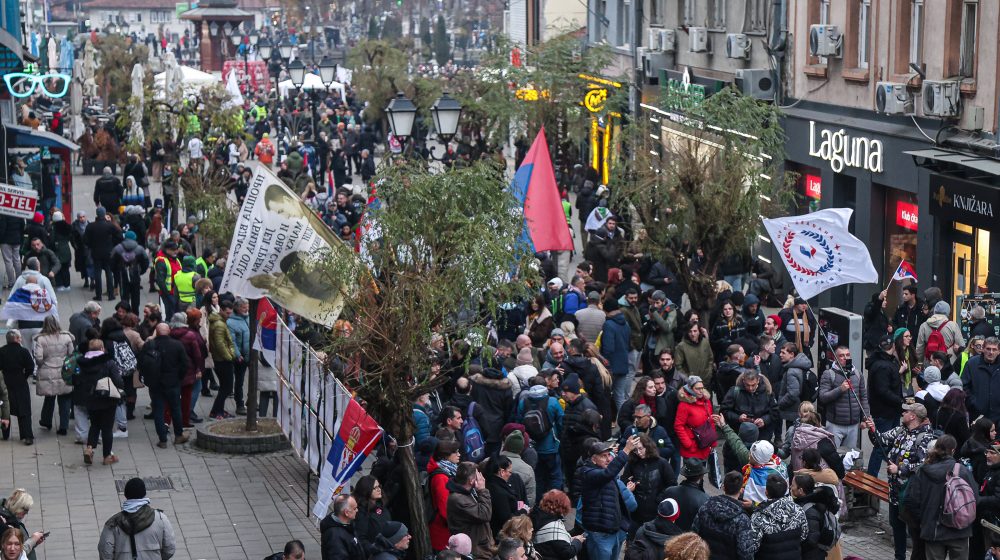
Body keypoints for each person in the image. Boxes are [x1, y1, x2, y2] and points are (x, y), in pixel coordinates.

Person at [865, 402, 936, 560]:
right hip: (895, 491)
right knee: (896, 525)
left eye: (905, 412)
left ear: (913, 416)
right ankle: (899, 557)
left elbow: (924, 464)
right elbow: (880, 441)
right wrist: (873, 429)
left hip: (911, 494)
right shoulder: (900, 430)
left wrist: (901, 469)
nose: (902, 413)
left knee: (913, 530)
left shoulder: (925, 437)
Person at [902, 435, 978, 560]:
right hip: (959, 530)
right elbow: (975, 499)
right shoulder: (962, 471)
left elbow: (911, 501)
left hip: (933, 531)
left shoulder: (923, 471)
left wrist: (924, 520)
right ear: (953, 450)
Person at [576, 437, 639, 560]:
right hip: (600, 532)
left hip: (614, 529)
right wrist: (626, 450)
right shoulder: (588, 472)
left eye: (608, 455)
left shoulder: (604, 471)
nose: (608, 459)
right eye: (603, 456)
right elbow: (607, 474)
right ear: (593, 459)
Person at [98, 477, 176, 560]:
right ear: (144, 493)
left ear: (126, 495)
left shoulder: (113, 522)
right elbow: (170, 549)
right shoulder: (161, 518)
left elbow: (105, 552)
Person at [78, 339, 124, 465]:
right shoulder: (108, 362)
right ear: (102, 349)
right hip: (107, 398)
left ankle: (89, 448)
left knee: (94, 424)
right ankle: (107, 456)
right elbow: (118, 380)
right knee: (107, 428)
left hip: (90, 398)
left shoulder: (83, 363)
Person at [622, 434, 677, 536]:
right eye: (635, 450)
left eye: (641, 449)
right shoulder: (632, 463)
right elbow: (624, 480)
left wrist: (659, 499)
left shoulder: (662, 463)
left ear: (647, 446)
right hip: (636, 511)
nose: (638, 453)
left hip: (655, 511)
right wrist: (630, 485)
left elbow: (672, 485)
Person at [145, 323, 190, 448]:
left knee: (158, 410)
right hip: (172, 382)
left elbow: (143, 363)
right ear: (169, 331)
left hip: (156, 384)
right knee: (176, 409)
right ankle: (178, 435)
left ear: (157, 332)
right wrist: (179, 377)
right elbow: (185, 364)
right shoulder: (177, 345)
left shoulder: (150, 345)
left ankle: (163, 440)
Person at [691, 471, 754, 560]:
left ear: (723, 487)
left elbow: (693, 534)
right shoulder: (742, 520)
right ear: (741, 490)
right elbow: (745, 553)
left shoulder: (706, 507)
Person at [866, 335, 905, 476]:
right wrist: (901, 401)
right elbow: (883, 390)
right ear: (893, 346)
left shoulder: (882, 362)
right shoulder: (883, 365)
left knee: (888, 442)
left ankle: (888, 466)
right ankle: (872, 475)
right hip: (885, 412)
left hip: (888, 410)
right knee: (881, 446)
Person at [818, 345, 868, 449]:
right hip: (835, 425)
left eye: (848, 355)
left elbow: (863, 397)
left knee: (849, 458)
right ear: (835, 358)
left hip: (853, 425)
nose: (846, 358)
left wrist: (865, 417)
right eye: (842, 356)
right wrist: (840, 389)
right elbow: (822, 397)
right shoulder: (829, 374)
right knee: (832, 456)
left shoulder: (858, 374)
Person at [748, 474, 808, 559]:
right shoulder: (798, 510)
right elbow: (804, 535)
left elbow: (752, 546)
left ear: (766, 492)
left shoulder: (759, 517)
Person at [32, 315, 75, 435]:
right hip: (64, 371)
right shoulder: (66, 337)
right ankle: (63, 426)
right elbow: (71, 354)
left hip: (48, 370)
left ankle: (46, 421)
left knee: (49, 397)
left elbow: (38, 358)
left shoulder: (41, 339)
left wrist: (41, 365)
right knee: (65, 398)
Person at [446, 462, 494, 560]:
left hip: (481, 546)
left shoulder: (467, 493)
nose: (481, 479)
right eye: (478, 476)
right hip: (475, 550)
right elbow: (484, 514)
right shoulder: (458, 499)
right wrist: (483, 490)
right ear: (472, 480)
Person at [790, 474, 841, 560]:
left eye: (793, 485)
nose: (791, 487)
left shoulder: (809, 511)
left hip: (811, 555)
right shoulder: (808, 503)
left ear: (800, 490)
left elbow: (811, 540)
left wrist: (796, 548)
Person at [720, 369, 778, 443]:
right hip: (740, 435)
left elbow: (775, 412)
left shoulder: (767, 392)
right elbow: (724, 411)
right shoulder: (735, 391)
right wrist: (738, 418)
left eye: (753, 385)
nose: (750, 388)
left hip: (762, 435)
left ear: (758, 380)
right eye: (747, 385)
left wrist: (764, 420)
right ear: (743, 381)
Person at [0, 330, 35, 445]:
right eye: (19, 338)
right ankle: (27, 435)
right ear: (16, 339)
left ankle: (5, 433)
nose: (21, 339)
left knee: (5, 407)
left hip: (5, 382)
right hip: (20, 383)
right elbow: (30, 367)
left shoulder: (2, 351)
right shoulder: (23, 351)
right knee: (24, 409)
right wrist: (24, 376)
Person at [530, 490, 584, 560]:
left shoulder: (539, 518)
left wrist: (570, 539)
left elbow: (554, 543)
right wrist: (577, 542)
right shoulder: (553, 526)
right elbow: (567, 552)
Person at [84, 206, 123, 301]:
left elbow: (85, 240)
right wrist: (113, 243)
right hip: (108, 252)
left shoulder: (91, 226)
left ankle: (98, 295)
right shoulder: (109, 225)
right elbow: (119, 235)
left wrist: (91, 245)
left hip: (96, 252)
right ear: (104, 214)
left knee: (97, 273)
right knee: (109, 273)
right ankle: (111, 294)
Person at [428, 440, 461, 551]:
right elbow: (444, 509)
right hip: (442, 531)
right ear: (446, 456)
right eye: (455, 452)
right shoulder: (441, 477)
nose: (459, 454)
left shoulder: (448, 472)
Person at [484, 456, 528, 537]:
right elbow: (506, 519)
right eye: (510, 472)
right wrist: (523, 510)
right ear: (502, 472)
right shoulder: (499, 492)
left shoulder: (490, 483)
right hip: (502, 535)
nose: (510, 475)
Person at [661, 458, 709, 532]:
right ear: (701, 476)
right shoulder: (705, 499)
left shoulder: (669, 491)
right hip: (687, 538)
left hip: (667, 532)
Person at [674, 377, 716, 462]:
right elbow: (678, 426)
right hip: (692, 449)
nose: (701, 391)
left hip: (705, 445)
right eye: (698, 388)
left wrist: (713, 442)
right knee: (694, 474)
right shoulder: (684, 405)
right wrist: (688, 444)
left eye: (702, 388)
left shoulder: (706, 401)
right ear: (690, 389)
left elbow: (710, 422)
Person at [208, 301, 237, 419]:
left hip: (220, 359)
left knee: (225, 387)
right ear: (221, 310)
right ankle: (217, 412)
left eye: (230, 313)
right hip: (222, 361)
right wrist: (230, 357)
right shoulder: (220, 324)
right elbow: (220, 344)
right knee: (227, 387)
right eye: (227, 313)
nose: (229, 315)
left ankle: (217, 410)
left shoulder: (219, 322)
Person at [111, 231, 149, 316]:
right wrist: (141, 271)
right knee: (136, 297)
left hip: (122, 275)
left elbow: (112, 262)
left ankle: (124, 315)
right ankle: (135, 316)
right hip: (135, 275)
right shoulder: (139, 249)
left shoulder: (118, 248)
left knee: (124, 296)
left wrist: (116, 272)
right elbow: (145, 262)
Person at [963, 337, 1000, 425]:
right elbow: (964, 387)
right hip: (977, 416)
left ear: (999, 351)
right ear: (983, 349)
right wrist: (974, 404)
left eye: (994, 349)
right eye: (988, 349)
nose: (991, 352)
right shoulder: (971, 364)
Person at [0, 490, 45, 560]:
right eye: (25, 511)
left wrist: (34, 542)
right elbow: (15, 553)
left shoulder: (11, 521)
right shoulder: (7, 527)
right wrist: (32, 540)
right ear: (18, 508)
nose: (26, 514)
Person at [320, 495, 363, 560]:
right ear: (346, 513)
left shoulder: (347, 524)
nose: (357, 510)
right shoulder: (335, 537)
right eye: (354, 508)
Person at [673, 322, 714, 391]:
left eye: (695, 331)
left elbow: (710, 358)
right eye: (690, 331)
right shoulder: (681, 346)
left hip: (706, 382)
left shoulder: (705, 342)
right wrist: (688, 379)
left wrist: (709, 373)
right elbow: (678, 366)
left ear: (699, 331)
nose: (693, 334)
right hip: (690, 385)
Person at [227, 297, 251, 415]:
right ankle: (239, 404)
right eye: (243, 307)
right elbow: (232, 341)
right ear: (236, 307)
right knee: (239, 381)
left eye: (247, 306)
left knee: (254, 379)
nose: (246, 308)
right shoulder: (231, 322)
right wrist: (237, 354)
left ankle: (251, 400)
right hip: (240, 357)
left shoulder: (248, 318)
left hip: (251, 355)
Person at [501, 431, 536, 507]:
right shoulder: (528, 470)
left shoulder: (488, 462)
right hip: (517, 514)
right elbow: (530, 498)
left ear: (505, 445)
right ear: (521, 449)